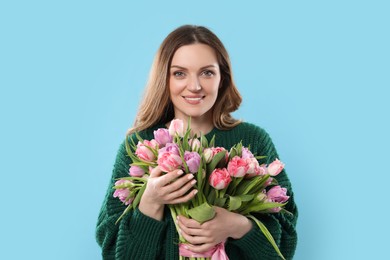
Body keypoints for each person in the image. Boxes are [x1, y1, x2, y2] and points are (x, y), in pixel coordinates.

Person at [96, 25, 298, 260]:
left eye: (207, 72)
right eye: (180, 73)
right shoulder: (139, 146)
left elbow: (285, 244)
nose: (195, 86)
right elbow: (112, 252)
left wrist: (237, 226)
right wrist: (150, 202)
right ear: (165, 78)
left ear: (222, 78)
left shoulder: (253, 140)